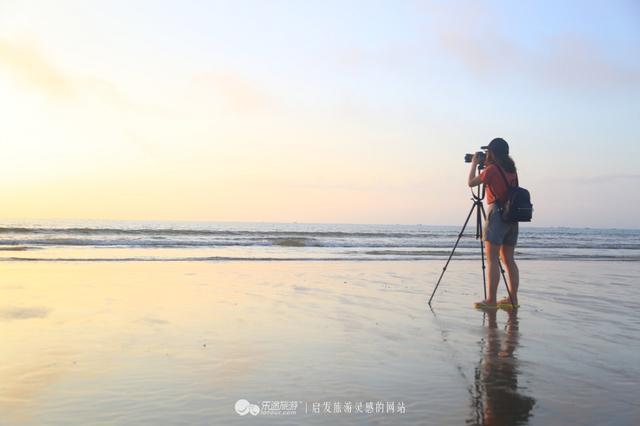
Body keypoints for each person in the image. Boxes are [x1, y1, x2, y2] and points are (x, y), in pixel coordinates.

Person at [467, 138, 519, 309]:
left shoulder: (492, 170)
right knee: (509, 260)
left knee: (492, 259)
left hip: (497, 214)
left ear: (493, 153)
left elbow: (471, 183)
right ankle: (513, 299)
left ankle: (491, 300)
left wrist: (474, 164)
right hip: (512, 216)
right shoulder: (512, 170)